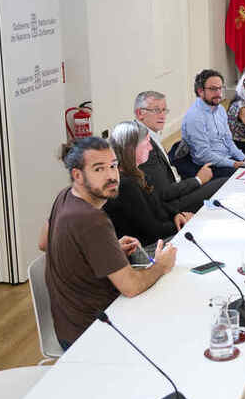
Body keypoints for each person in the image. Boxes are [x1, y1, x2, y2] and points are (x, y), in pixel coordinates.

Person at [38, 137, 176, 348]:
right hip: (93, 335)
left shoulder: (65, 196)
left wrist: (102, 251)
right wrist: (161, 265)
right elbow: (131, 287)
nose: (111, 176)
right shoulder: (92, 220)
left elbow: (44, 243)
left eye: (113, 166)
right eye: (99, 169)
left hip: (67, 326)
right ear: (78, 175)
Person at [134, 91, 226, 213]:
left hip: (175, 187)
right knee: (223, 183)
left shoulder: (145, 133)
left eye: (164, 110)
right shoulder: (143, 145)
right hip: (171, 206)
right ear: (140, 113)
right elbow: (164, 193)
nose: (162, 116)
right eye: (156, 111)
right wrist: (198, 180)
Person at [104, 121, 192, 247]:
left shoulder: (137, 172)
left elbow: (158, 202)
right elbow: (153, 232)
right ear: (131, 148)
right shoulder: (125, 185)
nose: (150, 148)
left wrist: (176, 214)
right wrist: (184, 224)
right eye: (146, 143)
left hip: (160, 234)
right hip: (148, 247)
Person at [180, 69, 245, 178]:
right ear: (200, 91)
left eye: (220, 88)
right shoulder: (194, 117)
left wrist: (244, 159)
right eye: (213, 89)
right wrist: (234, 164)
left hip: (228, 159)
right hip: (211, 166)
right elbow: (203, 155)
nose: (218, 93)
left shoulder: (220, 109)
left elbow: (228, 141)